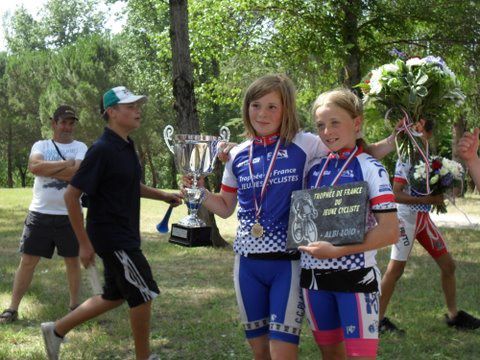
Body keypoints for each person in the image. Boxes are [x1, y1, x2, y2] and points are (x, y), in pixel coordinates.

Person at [185, 75, 396, 360]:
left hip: (289, 262)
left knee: (283, 353)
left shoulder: (305, 144)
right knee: (260, 353)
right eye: (256, 105)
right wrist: (197, 189)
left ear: (286, 109)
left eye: (272, 106)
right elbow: (224, 207)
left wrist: (397, 140)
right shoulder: (236, 154)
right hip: (246, 263)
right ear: (246, 108)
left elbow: (350, 150)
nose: (262, 113)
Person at [40, 86, 182, 360]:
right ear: (112, 113)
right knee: (143, 292)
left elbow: (130, 184)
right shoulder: (102, 150)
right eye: (130, 106)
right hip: (112, 235)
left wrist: (163, 195)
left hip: (123, 232)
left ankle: (55, 330)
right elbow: (71, 195)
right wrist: (83, 244)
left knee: (114, 295)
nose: (137, 110)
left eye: (137, 105)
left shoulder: (126, 145)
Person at [298, 89, 399, 360]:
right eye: (320, 125)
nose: (327, 131)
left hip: (356, 279)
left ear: (357, 123)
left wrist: (338, 251)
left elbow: (390, 231)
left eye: (334, 122)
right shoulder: (312, 167)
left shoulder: (370, 167)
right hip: (313, 280)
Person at [379, 119, 480, 333]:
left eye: (421, 128)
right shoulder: (407, 154)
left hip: (422, 220)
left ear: (429, 133)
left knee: (449, 266)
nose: (416, 131)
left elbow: (426, 187)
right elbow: (395, 193)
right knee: (395, 270)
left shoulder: (426, 151)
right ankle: (376, 321)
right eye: (414, 128)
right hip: (405, 219)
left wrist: (441, 189)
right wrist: (427, 201)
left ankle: (453, 316)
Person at [0, 106, 86, 324]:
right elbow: (34, 167)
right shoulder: (41, 145)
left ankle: (75, 306)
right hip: (39, 213)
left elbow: (78, 172)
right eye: (63, 122)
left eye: (71, 122)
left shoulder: (80, 147)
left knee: (72, 261)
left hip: (70, 215)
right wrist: (65, 165)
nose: (67, 127)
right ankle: (12, 308)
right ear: (54, 123)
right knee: (27, 261)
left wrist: (50, 168)